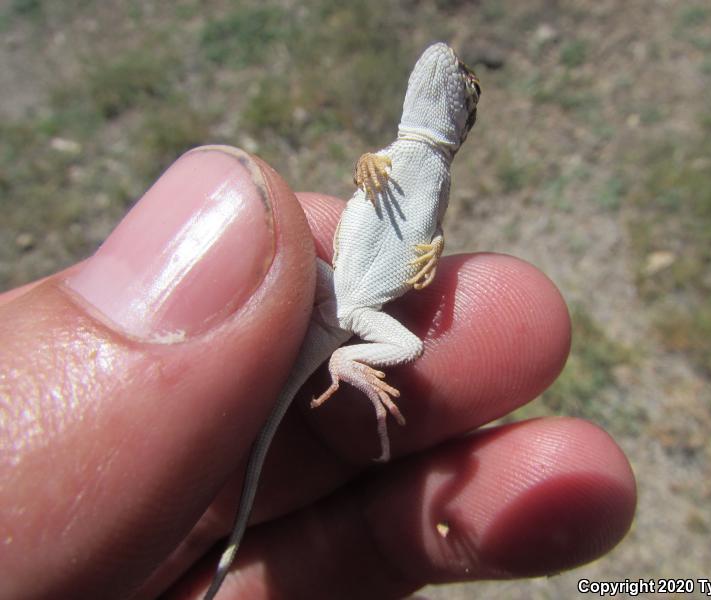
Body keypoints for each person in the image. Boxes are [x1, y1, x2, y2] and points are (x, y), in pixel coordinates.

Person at [0, 146, 636, 598]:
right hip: (330, 290)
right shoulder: (398, 151)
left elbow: (427, 230)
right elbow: (374, 189)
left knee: (408, 348)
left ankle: (348, 364)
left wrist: (429, 252)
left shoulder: (436, 172)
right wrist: (366, 167)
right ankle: (336, 359)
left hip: (352, 316)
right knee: (263, 277)